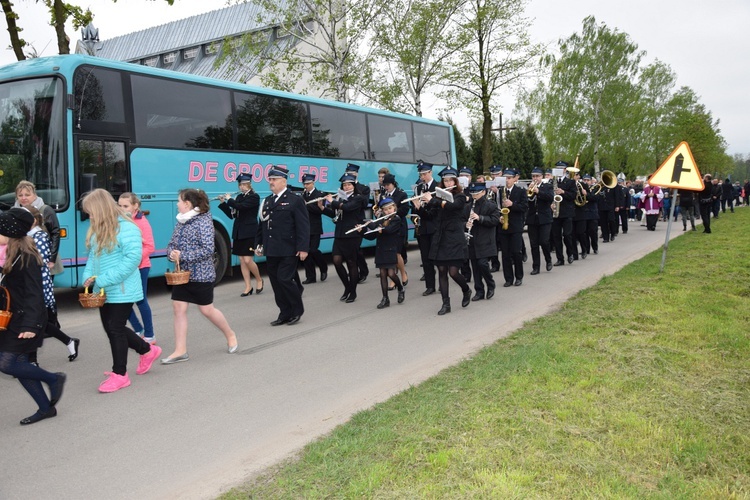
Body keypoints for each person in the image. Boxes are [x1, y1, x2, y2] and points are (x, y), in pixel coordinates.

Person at [81, 189, 162, 392]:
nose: (89, 216)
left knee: (115, 329)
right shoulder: (98, 229)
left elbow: (132, 260)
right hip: (104, 289)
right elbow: (92, 258)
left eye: (91, 212)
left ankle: (120, 374)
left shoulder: (127, 228)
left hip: (123, 289)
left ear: (101, 209)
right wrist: (87, 279)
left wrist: (103, 279)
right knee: (111, 328)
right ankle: (147, 350)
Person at [0, 208, 66, 425]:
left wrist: (31, 325)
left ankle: (53, 378)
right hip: (11, 318)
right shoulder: (9, 252)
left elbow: (35, 295)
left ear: (11, 232)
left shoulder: (27, 257)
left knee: (8, 364)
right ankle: (46, 408)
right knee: (18, 365)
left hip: (26, 321)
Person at [162, 188, 238, 363]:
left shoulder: (203, 221)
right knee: (178, 308)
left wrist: (183, 256)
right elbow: (171, 244)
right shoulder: (181, 221)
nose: (177, 204)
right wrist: (171, 254)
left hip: (201, 274)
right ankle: (180, 350)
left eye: (179, 201)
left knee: (207, 310)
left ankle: (230, 334)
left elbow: (207, 250)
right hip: (182, 275)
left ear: (188, 204)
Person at [256, 166, 310, 325]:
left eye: (274, 180)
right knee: (276, 282)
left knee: (285, 279)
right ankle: (284, 312)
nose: (271, 182)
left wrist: (303, 248)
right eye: (270, 180)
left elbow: (303, 226)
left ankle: (296, 310)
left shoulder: (295, 200)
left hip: (289, 248)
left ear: (283, 181)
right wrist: (258, 244)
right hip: (272, 249)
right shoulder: (267, 201)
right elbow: (262, 225)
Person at [26, 206, 79, 364]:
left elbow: (39, 264)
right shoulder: (24, 236)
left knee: (34, 322)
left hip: (38, 285)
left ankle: (32, 361)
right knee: (37, 322)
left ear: (34, 220)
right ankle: (69, 342)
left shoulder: (40, 236)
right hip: (29, 286)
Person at [423, 167, 472, 315]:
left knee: (453, 272)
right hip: (441, 238)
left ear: (455, 181)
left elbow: (453, 207)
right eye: (445, 180)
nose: (448, 182)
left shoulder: (460, 196)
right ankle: (446, 304)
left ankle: (466, 289)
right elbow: (431, 215)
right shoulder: (438, 197)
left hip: (454, 237)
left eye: (451, 180)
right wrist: (420, 207)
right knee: (442, 271)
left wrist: (435, 201)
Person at [118, 192, 156, 343]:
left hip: (141, 267)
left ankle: (149, 334)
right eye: (119, 206)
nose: (122, 209)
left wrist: (134, 259)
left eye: (125, 206)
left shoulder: (142, 222)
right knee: (123, 300)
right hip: (126, 267)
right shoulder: (119, 221)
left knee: (140, 300)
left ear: (135, 206)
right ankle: (138, 329)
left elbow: (150, 246)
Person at [217, 173, 264, 296]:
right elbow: (232, 215)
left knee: (248, 260)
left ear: (249, 184)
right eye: (240, 184)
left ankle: (259, 279)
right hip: (239, 231)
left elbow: (242, 207)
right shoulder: (238, 198)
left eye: (244, 184)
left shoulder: (254, 197)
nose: (241, 187)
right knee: (242, 260)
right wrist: (223, 203)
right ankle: (248, 286)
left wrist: (229, 199)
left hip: (249, 231)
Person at [323, 173, 367, 303]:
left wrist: (334, 202)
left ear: (353, 185)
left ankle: (353, 292)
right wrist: (322, 208)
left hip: (352, 234)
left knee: (351, 263)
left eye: (349, 184)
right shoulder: (340, 197)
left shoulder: (358, 198)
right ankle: (347, 287)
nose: (346, 187)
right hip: (340, 233)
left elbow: (347, 208)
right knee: (336, 261)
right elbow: (335, 213)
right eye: (344, 185)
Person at [361, 198, 404, 309]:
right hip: (380, 250)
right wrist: (362, 231)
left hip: (390, 249)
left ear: (394, 207)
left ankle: (400, 287)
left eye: (390, 208)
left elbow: (388, 230)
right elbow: (372, 236)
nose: (389, 211)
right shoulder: (381, 220)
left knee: (391, 273)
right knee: (383, 275)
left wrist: (373, 225)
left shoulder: (396, 219)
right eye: (386, 210)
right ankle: (385, 298)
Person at [15, 180, 62, 276]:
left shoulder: (45, 210)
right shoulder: (14, 212)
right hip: (22, 260)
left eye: (27, 195)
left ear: (34, 195)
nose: (23, 198)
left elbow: (55, 233)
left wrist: (52, 259)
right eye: (20, 195)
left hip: (45, 259)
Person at [465, 182, 499, 299]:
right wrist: (467, 224)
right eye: (473, 193)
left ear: (483, 192)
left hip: (485, 240)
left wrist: (480, 218)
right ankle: (479, 291)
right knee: (475, 266)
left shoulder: (491, 205)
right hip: (473, 240)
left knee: (482, 264)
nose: (474, 196)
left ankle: (491, 284)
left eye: (477, 193)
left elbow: (495, 220)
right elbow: (462, 220)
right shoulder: (468, 205)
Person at [497, 168, 528, 286]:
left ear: (514, 179)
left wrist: (512, 205)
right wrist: (499, 216)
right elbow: (497, 206)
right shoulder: (500, 192)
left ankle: (519, 276)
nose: (507, 180)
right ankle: (508, 279)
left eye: (509, 178)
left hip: (515, 225)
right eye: (505, 178)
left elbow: (524, 207)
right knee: (505, 254)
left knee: (516, 252)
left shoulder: (520, 191)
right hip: (503, 225)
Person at [411, 161, 438, 295]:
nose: (422, 177)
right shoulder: (418, 188)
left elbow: (437, 209)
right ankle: (430, 286)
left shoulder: (438, 186)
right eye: (421, 174)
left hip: (435, 226)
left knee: (437, 257)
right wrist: (415, 210)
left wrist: (426, 204)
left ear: (430, 173)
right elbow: (414, 209)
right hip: (422, 227)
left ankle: (443, 282)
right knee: (425, 258)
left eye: (424, 174)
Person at [380, 173, 409, 286]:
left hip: (399, 227)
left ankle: (402, 273)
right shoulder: (383, 195)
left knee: (397, 254)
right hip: (387, 226)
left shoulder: (401, 194)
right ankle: (393, 277)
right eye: (384, 185)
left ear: (393, 184)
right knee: (390, 254)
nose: (386, 187)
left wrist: (391, 213)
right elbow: (380, 207)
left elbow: (405, 210)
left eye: (388, 185)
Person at [300, 173, 329, 284]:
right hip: (304, 228)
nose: (306, 186)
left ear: (313, 183)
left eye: (308, 183)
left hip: (315, 227)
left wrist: (305, 205)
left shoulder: (320, 194)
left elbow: (319, 210)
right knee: (305, 252)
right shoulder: (302, 195)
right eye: (305, 184)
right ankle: (310, 276)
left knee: (313, 250)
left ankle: (323, 267)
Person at [526, 167, 554, 274]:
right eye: (533, 176)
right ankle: (536, 267)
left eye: (537, 176)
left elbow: (550, 197)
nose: (535, 178)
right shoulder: (529, 187)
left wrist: (538, 191)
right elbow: (527, 201)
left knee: (544, 241)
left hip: (545, 218)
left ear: (541, 177)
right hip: (532, 219)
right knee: (534, 244)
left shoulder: (547, 186)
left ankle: (548, 260)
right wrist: (530, 191)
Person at [551, 161, 576, 266]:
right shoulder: (552, 182)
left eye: (561, 168)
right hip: (556, 212)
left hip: (567, 212)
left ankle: (570, 253)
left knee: (567, 235)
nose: (559, 170)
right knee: (556, 236)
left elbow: (573, 196)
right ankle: (560, 258)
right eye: (558, 168)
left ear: (565, 170)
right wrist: (550, 204)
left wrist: (563, 192)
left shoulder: (570, 182)